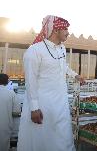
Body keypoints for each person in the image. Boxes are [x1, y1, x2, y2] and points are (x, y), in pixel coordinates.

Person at [17, 15, 84, 151]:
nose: (68, 32)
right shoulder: (34, 50)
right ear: (55, 30)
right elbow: (31, 80)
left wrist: (75, 75)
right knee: (43, 137)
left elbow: (62, 66)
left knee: (62, 135)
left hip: (60, 102)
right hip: (43, 103)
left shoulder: (61, 48)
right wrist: (34, 107)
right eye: (65, 29)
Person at [0, 73, 20, 151]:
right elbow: (16, 114)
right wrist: (15, 133)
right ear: (7, 82)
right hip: (5, 129)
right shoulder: (12, 94)